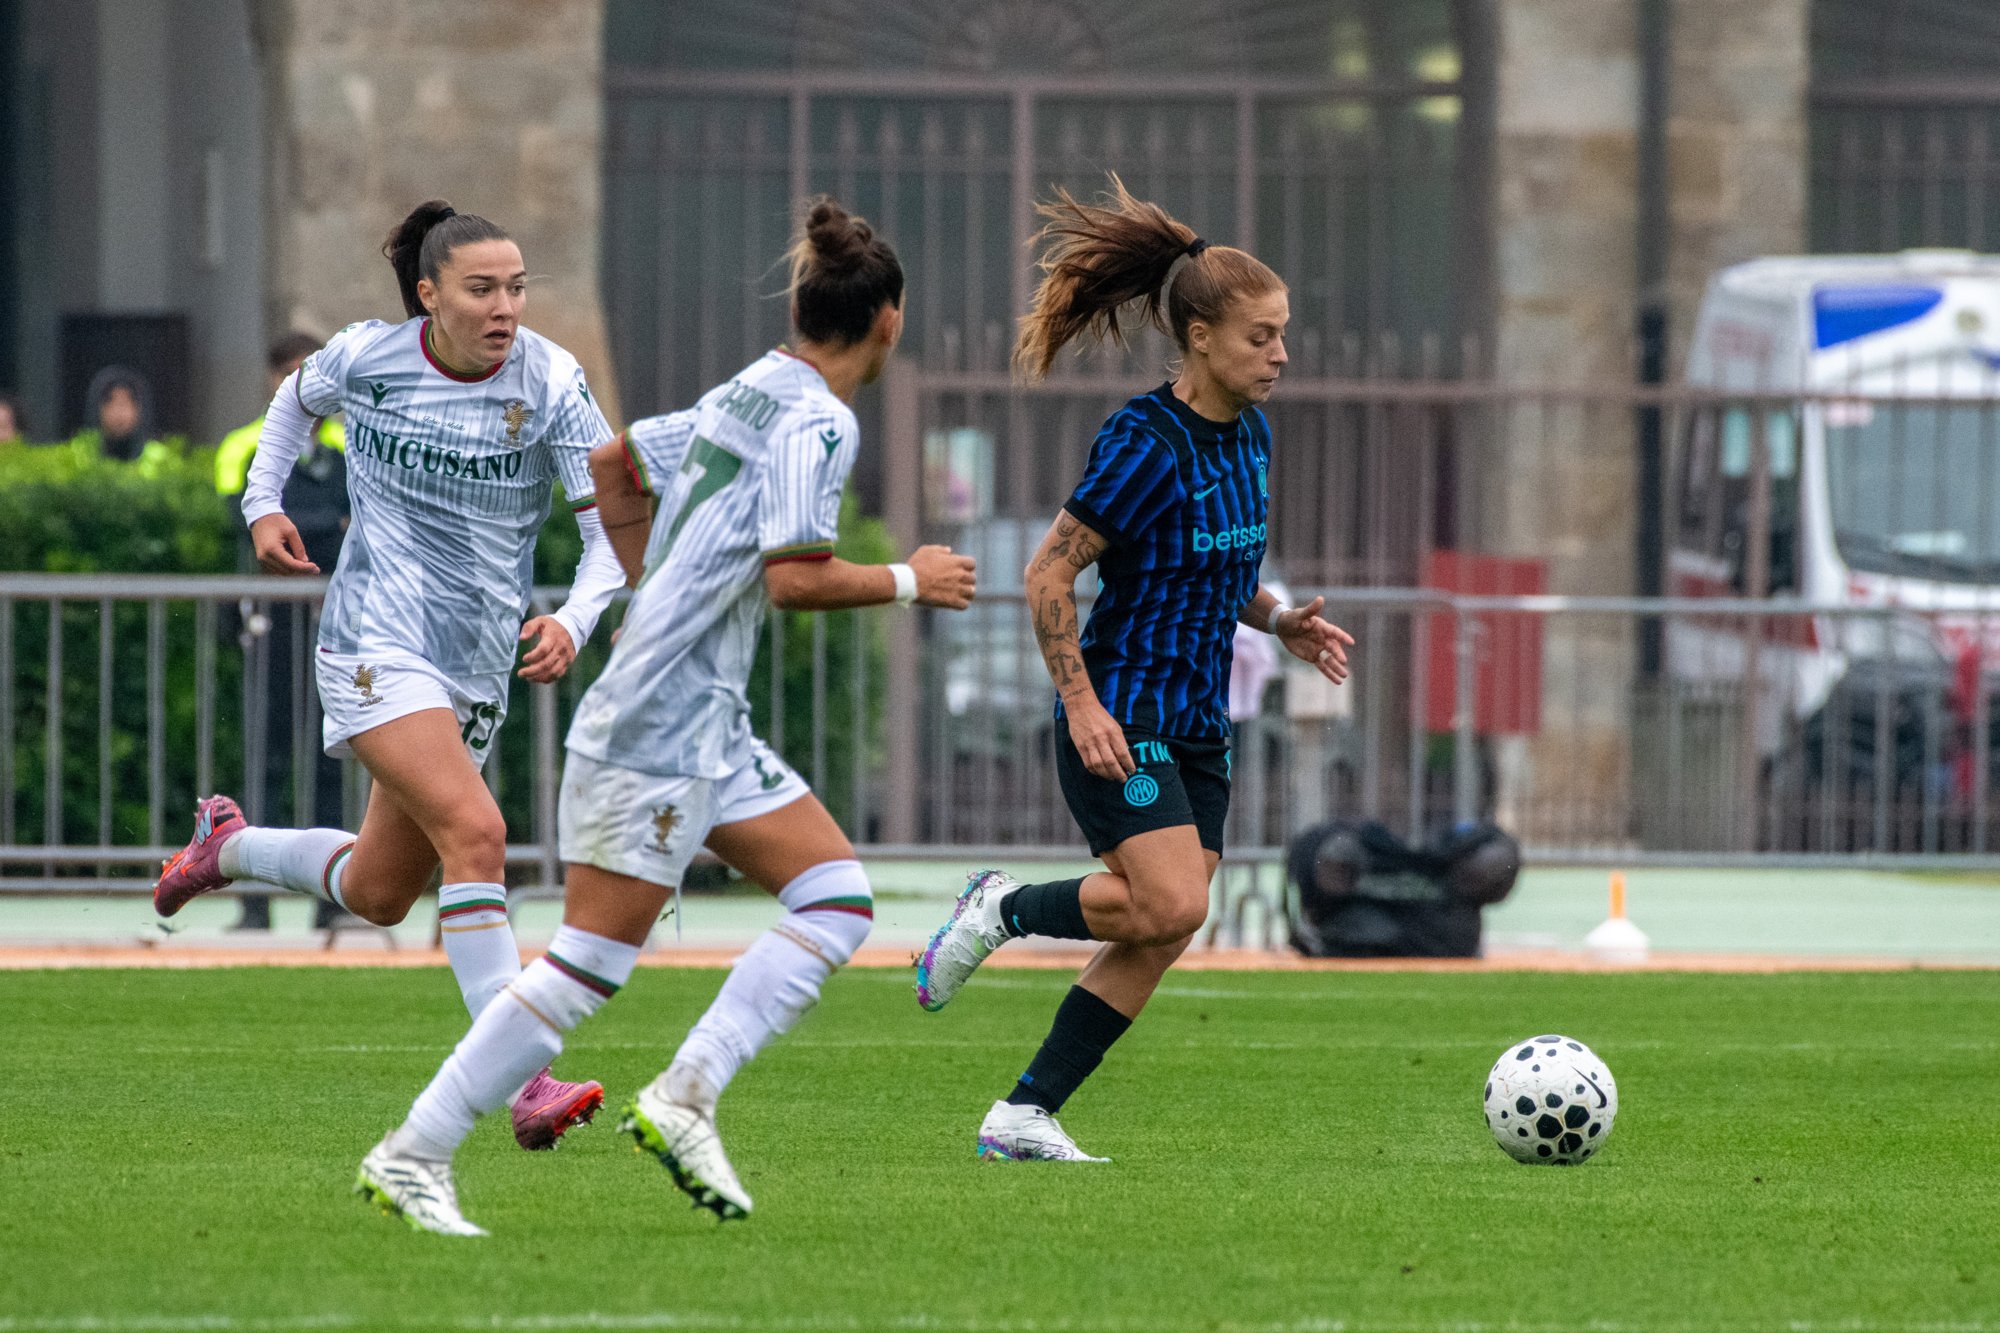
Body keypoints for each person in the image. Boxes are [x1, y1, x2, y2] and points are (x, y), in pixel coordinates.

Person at [352, 196, 976, 1236]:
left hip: (700, 720)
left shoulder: (751, 384)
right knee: (585, 967)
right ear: (889, 321)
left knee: (834, 897)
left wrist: (658, 598)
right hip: (660, 727)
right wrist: (910, 579)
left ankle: (687, 1094)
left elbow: (615, 466)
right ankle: (413, 1150)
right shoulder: (822, 420)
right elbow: (795, 576)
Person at [151, 200, 628, 1151]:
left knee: (378, 892)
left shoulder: (553, 381)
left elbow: (609, 534)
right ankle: (522, 1080)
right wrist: (261, 503)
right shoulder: (369, 357)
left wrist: (573, 619)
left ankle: (228, 847)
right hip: (374, 639)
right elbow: (293, 400)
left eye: (517, 287)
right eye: (482, 288)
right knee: (478, 833)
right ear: (429, 293)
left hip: (475, 664)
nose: (505, 307)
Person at [914, 177, 1353, 1161]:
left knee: (1162, 928)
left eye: (1283, 334)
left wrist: (1280, 619)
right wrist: (1079, 705)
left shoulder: (1250, 433)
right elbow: (1048, 571)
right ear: (1200, 337)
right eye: (1260, 337)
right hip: (1124, 712)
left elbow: (1214, 569)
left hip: (1199, 720)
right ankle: (999, 907)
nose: (1280, 353)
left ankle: (1024, 1112)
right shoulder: (1143, 442)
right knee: (1171, 903)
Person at [215, 332, 351, 933]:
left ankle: (332, 899)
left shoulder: (349, 445)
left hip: (333, 623)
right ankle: (254, 901)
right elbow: (243, 520)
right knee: (263, 758)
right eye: (290, 371)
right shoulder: (244, 445)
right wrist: (327, 523)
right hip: (270, 624)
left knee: (332, 758)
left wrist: (302, 523)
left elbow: (356, 524)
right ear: (273, 379)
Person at [69, 367, 176, 474]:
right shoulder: (79, 457)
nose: (119, 412)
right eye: (110, 402)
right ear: (96, 408)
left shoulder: (158, 459)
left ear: (141, 409)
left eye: (126, 403)